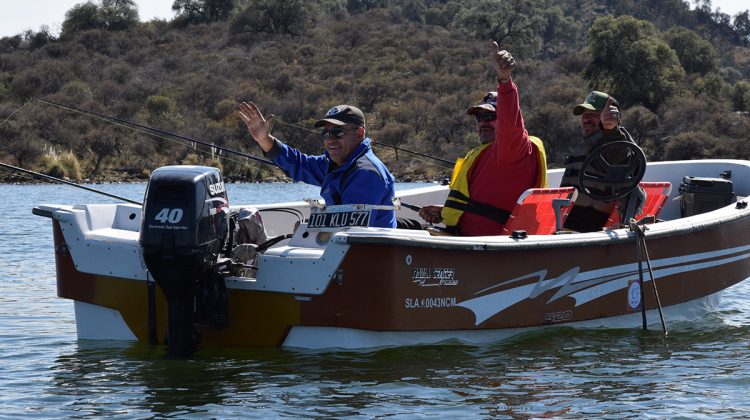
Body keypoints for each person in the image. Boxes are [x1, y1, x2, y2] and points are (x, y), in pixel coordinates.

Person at [417, 42, 547, 236]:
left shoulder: (512, 149)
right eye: (479, 117)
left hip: (483, 248)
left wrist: (505, 81)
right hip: (461, 236)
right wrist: (445, 212)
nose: (483, 123)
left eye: (490, 117)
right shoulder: (486, 153)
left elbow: (510, 125)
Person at [238, 102, 397, 228]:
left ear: (359, 134)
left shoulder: (366, 174)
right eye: (326, 134)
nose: (330, 139)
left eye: (338, 132)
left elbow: (350, 230)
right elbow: (299, 164)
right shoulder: (335, 164)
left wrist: (311, 228)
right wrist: (264, 139)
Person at [560, 91, 644, 232]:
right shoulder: (588, 142)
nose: (586, 119)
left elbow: (618, 160)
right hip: (567, 224)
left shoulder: (613, 143)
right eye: (584, 114)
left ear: (611, 116)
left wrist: (611, 131)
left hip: (584, 230)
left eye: (593, 114)